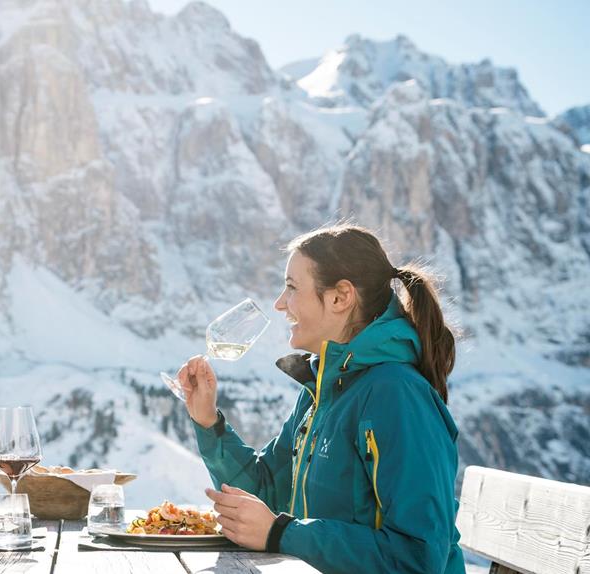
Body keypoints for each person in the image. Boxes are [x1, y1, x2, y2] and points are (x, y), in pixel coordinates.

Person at [177, 224, 464, 573]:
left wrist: (282, 533)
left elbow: (418, 557)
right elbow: (268, 491)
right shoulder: (324, 391)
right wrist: (208, 421)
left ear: (340, 298)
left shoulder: (397, 396)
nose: (280, 304)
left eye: (292, 288)